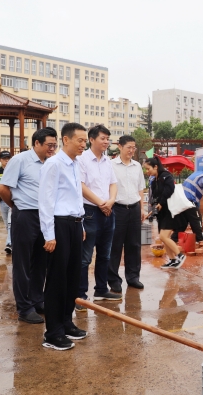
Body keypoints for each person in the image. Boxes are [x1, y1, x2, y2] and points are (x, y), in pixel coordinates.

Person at [0, 128, 58, 325]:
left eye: (55, 146)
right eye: (49, 145)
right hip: (25, 215)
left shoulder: (51, 163)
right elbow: (3, 188)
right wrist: (16, 207)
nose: (52, 149)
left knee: (41, 261)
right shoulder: (20, 160)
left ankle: (36, 300)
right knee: (23, 263)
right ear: (37, 143)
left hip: (45, 216)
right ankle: (24, 307)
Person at [38, 123, 88, 351]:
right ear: (66, 140)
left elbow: (76, 197)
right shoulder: (53, 164)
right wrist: (49, 235)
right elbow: (46, 201)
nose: (83, 145)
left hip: (75, 224)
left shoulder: (76, 164)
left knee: (72, 277)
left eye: (85, 141)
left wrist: (82, 223)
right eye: (80, 140)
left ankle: (66, 323)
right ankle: (53, 332)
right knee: (57, 279)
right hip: (58, 226)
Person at [76, 124, 121, 310]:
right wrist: (101, 203)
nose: (106, 142)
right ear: (91, 139)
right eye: (102, 138)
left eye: (108, 138)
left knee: (105, 254)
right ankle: (80, 295)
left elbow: (113, 184)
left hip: (108, 211)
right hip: (90, 212)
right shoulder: (82, 159)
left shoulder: (107, 161)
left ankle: (101, 289)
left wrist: (110, 201)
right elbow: (81, 186)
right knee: (85, 257)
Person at [108, 135, 146, 292]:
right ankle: (114, 280)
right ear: (120, 147)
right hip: (117, 209)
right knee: (115, 245)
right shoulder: (110, 165)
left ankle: (133, 277)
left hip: (134, 208)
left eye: (133, 147)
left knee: (134, 245)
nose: (132, 150)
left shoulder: (137, 166)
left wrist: (142, 208)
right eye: (129, 147)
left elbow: (141, 188)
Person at [144, 157, 186, 269]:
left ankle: (180, 255)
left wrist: (161, 203)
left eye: (148, 169)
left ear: (156, 167)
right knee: (163, 237)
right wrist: (153, 209)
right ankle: (172, 260)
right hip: (161, 213)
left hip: (170, 211)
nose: (147, 171)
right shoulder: (155, 180)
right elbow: (155, 197)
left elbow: (170, 189)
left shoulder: (166, 176)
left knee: (163, 236)